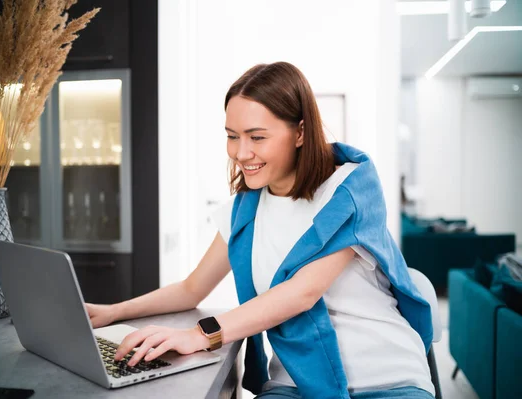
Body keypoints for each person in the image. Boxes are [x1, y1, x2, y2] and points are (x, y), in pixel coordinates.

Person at [85, 62, 436, 399]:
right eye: (232, 136)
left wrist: (200, 335)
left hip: (388, 379)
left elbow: (301, 292)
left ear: (300, 132)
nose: (241, 152)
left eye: (257, 137)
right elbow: (191, 289)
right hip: (297, 383)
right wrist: (114, 312)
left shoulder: (348, 192)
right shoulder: (245, 210)